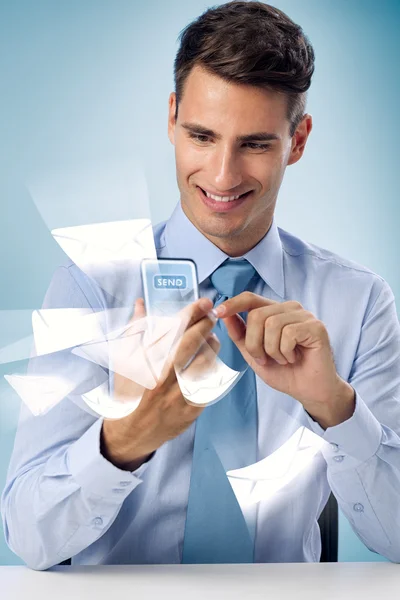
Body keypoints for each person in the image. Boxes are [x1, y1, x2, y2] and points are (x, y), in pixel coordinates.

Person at [2, 1, 400, 569]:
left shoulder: (358, 303)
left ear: (300, 139)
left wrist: (336, 408)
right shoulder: (89, 291)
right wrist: (128, 439)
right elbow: (29, 537)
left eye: (256, 144)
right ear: (171, 119)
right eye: (202, 135)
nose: (222, 176)